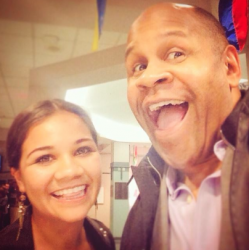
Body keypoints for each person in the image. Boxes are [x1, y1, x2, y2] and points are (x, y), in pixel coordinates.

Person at [121, 2, 249, 250]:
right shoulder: (143, 199)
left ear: (229, 67)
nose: (148, 77)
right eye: (139, 67)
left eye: (176, 53)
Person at [0, 99, 115, 250]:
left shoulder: (104, 236)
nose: (71, 171)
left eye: (82, 150)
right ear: (19, 178)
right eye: (44, 158)